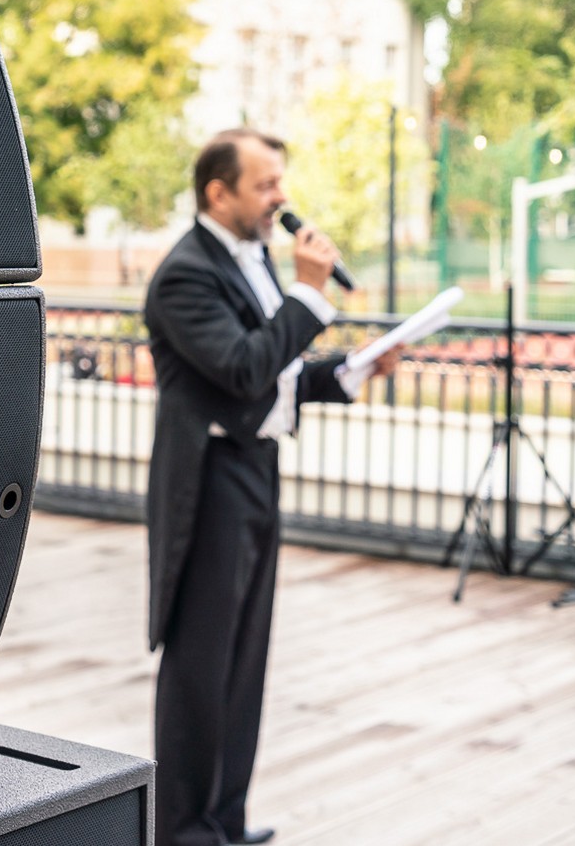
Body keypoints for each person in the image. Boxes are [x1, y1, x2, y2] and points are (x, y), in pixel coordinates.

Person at [144, 128, 396, 846]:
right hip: (208, 481)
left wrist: (352, 369)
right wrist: (308, 295)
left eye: (280, 181)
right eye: (264, 185)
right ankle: (184, 832)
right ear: (217, 192)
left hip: (255, 469)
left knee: (244, 658)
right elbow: (244, 369)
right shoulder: (185, 275)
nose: (280, 198)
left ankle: (224, 821)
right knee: (200, 663)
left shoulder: (254, 260)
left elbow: (276, 375)